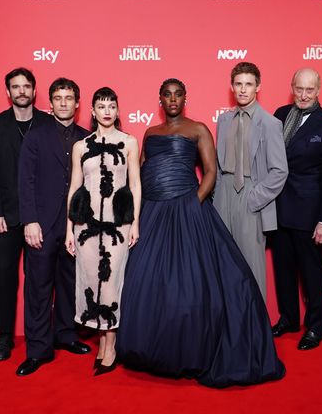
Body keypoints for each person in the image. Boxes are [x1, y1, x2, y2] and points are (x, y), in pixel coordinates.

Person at [117, 78, 285, 388]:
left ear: (185, 98)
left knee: (195, 281)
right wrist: (136, 209)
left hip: (188, 208)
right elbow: (140, 172)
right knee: (145, 279)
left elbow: (210, 171)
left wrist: (193, 203)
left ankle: (190, 347)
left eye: (178, 94)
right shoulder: (150, 133)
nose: (172, 99)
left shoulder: (198, 129)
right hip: (153, 210)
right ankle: (148, 346)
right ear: (160, 99)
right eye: (166, 94)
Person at [16, 78, 91, 376]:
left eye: (69, 97)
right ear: (49, 103)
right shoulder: (35, 135)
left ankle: (66, 334)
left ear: (77, 102)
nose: (63, 102)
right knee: (38, 287)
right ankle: (37, 349)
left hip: (77, 225)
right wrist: (30, 221)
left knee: (70, 284)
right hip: (42, 224)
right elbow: (25, 180)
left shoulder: (88, 138)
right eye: (58, 98)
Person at [65, 87, 141, 376]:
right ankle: (101, 342)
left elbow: (135, 185)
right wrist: (69, 229)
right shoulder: (81, 146)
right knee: (91, 280)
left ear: (118, 111)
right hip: (86, 225)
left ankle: (111, 344)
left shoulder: (130, 142)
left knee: (111, 282)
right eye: (101, 106)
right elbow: (74, 187)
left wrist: (135, 222)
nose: (106, 110)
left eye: (111, 105)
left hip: (118, 224)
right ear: (93, 111)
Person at [0, 67, 55, 361]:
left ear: (35, 91)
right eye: (16, 87)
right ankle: (4, 337)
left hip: (41, 217)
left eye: (26, 86)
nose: (22, 91)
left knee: (40, 279)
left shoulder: (48, 124)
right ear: (8, 92)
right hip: (7, 218)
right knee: (5, 277)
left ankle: (43, 335)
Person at [270, 68, 322, 351]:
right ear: (292, 87)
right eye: (299, 89)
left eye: (309, 90)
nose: (303, 95)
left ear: (318, 89)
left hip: (310, 213)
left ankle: (315, 326)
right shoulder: (280, 114)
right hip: (278, 208)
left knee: (312, 272)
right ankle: (288, 318)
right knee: (283, 269)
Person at [214, 62, 288, 299]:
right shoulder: (224, 120)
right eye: (238, 84)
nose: (243, 89)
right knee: (223, 265)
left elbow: (279, 171)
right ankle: (228, 327)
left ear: (258, 87)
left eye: (248, 84)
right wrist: (217, 197)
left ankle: (256, 332)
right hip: (224, 194)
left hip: (251, 195)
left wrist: (254, 198)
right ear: (231, 87)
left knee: (252, 268)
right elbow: (217, 164)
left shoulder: (270, 123)